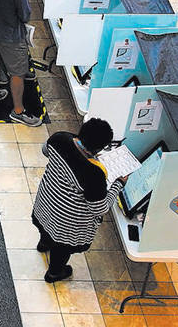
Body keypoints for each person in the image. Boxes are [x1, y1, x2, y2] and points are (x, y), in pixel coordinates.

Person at [32, 119, 127, 283]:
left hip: (46, 204)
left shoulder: (59, 138)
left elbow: (45, 151)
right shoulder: (94, 174)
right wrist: (118, 184)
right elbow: (99, 209)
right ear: (98, 148)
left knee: (46, 228)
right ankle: (55, 272)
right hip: (67, 224)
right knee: (61, 249)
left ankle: (44, 244)